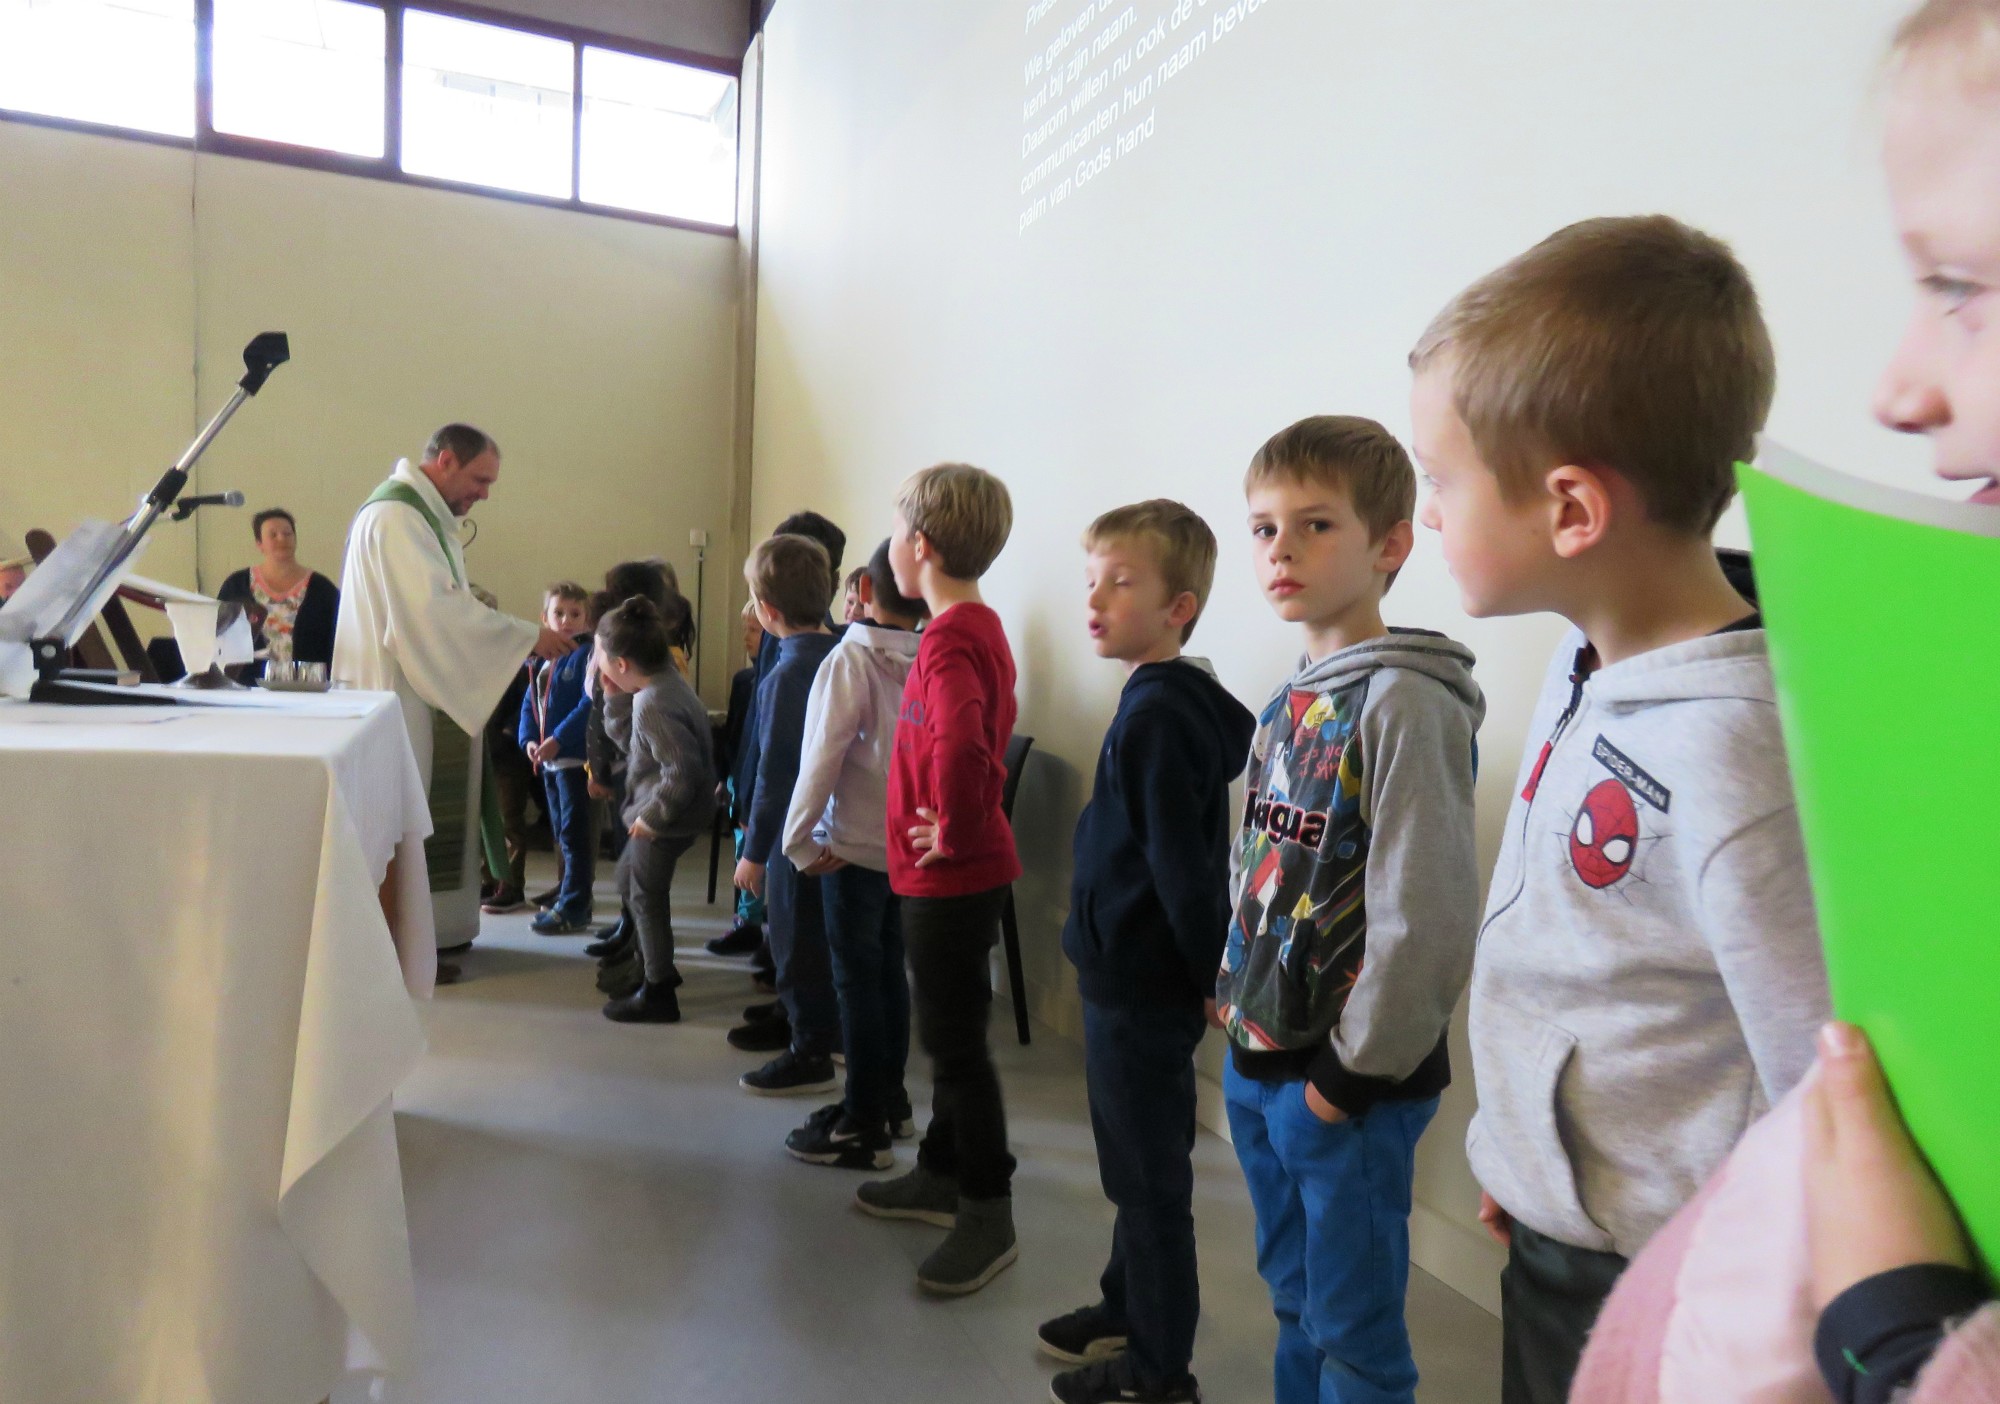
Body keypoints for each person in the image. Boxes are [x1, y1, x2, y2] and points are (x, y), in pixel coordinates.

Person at [1571, 8, 2000, 1399]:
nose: (1896, 387)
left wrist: (1895, 1323)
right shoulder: (1591, 692)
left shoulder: (1729, 730)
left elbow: (1803, 1033)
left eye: (1964, 287)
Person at [1406, 217, 1831, 1404]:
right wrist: (1530, 1160)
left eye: (1439, 482)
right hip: (1562, 1224)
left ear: (1570, 511)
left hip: (1669, 1276)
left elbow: (1818, 1082)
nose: (1429, 513)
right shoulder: (1584, 660)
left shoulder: (1732, 756)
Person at [1207, 422, 1484, 1404]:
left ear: (1389, 545)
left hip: (1344, 1083)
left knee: (1354, 1338)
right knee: (1291, 1301)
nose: (1278, 549)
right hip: (1257, 1060)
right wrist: (1227, 990)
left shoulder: (1405, 703)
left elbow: (1427, 912)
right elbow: (1260, 860)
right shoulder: (1288, 700)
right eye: (1261, 528)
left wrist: (1345, 1077)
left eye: (1313, 524)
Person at [1037, 501, 1254, 1404]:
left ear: (1181, 606)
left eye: (1122, 583)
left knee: (1152, 1184)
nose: (1096, 599)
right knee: (1133, 1166)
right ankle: (1125, 1309)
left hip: (1143, 986)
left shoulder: (1160, 715)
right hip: (1123, 977)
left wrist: (1213, 974)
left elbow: (1185, 868)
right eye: (1092, 579)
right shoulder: (1161, 698)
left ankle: (1161, 1375)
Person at [853, 463, 1024, 1297]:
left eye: (895, 530)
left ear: (917, 547)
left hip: (950, 874)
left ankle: (987, 1209)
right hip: (957, 871)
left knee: (955, 1049)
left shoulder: (954, 638)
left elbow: (963, 740)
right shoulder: (970, 627)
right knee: (955, 1034)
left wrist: (953, 825)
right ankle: (942, 1170)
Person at [332, 423, 574, 981]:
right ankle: (392, 958)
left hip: (404, 691)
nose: (485, 494)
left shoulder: (416, 516)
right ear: (444, 461)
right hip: (391, 694)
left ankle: (411, 946)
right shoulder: (397, 518)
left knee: (404, 822)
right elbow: (434, 614)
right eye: (479, 479)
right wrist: (524, 636)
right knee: (393, 824)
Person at [780, 538, 929, 1170]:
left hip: (850, 852)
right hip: (906, 851)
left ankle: (861, 1121)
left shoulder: (849, 660)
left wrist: (798, 842)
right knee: (889, 977)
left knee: (855, 984)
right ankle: (891, 1103)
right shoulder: (929, 659)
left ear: (864, 590)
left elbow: (821, 756)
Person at [733, 534, 844, 1095]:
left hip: (796, 838)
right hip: (846, 831)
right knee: (832, 943)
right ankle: (833, 1034)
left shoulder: (786, 674)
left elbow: (776, 774)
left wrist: (754, 853)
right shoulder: (849, 653)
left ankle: (809, 1052)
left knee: (794, 944)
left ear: (767, 612)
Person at [595, 594, 717, 1024]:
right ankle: (652, 963)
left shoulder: (653, 703)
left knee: (645, 896)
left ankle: (659, 990)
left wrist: (652, 818)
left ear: (623, 663)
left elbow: (682, 772)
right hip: (667, 812)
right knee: (629, 881)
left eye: (601, 658)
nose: (599, 667)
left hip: (667, 818)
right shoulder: (663, 681)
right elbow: (637, 746)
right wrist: (613, 699)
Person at [519, 582, 598, 936]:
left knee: (575, 833)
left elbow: (589, 704)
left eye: (575, 614)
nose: (567, 621)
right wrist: (529, 741)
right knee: (561, 832)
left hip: (574, 761)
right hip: (549, 761)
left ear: (587, 619)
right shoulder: (540, 659)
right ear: (544, 619)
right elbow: (528, 705)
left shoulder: (587, 654)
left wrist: (558, 739)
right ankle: (568, 892)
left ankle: (578, 903)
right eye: (559, 613)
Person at [707, 600, 768, 960]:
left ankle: (762, 922)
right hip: (739, 777)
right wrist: (723, 777)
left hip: (764, 782)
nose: (746, 637)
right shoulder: (743, 680)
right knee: (743, 850)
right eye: (744, 629)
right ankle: (748, 921)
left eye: (755, 629)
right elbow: (732, 735)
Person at [217, 507, 340, 670]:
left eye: (288, 533)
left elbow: (338, 641)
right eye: (273, 535)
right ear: (259, 544)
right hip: (249, 690)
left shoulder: (322, 588)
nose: (281, 538)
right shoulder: (236, 585)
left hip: (307, 689)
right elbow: (218, 636)